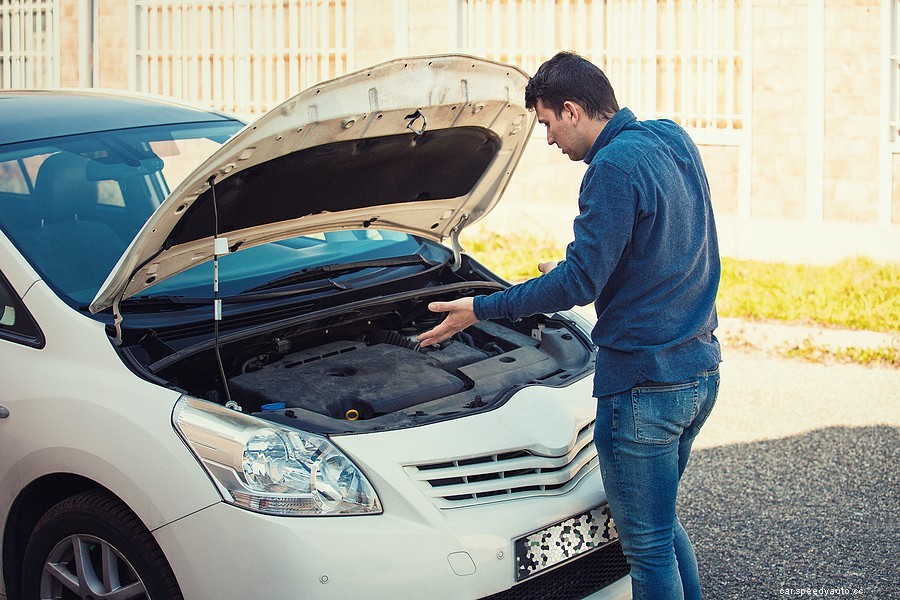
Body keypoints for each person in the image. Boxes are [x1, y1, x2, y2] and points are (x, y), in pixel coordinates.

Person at [417, 51, 721, 600]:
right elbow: (660, 248)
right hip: (699, 372)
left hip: (645, 388)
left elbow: (579, 285)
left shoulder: (612, 168)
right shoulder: (671, 139)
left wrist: (480, 309)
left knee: (647, 548)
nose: (550, 140)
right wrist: (573, 272)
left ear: (573, 111)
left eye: (548, 124)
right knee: (662, 526)